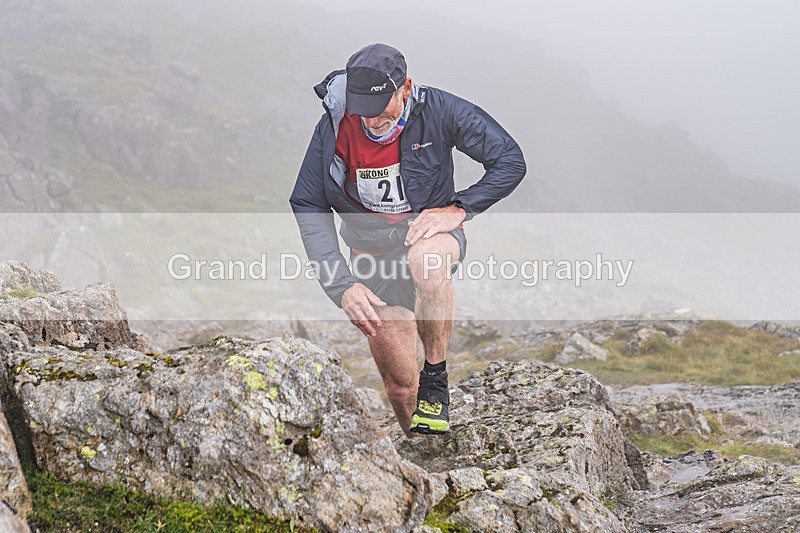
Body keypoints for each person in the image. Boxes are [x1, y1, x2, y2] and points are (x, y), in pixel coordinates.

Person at [290, 43, 526, 437]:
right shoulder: (334, 125)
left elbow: (510, 160)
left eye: (382, 106)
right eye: (362, 107)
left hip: (430, 238)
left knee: (426, 261)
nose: (373, 119)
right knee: (400, 389)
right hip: (372, 256)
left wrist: (459, 209)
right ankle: (423, 455)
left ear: (405, 89)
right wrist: (342, 286)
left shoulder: (441, 110)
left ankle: (436, 376)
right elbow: (308, 203)